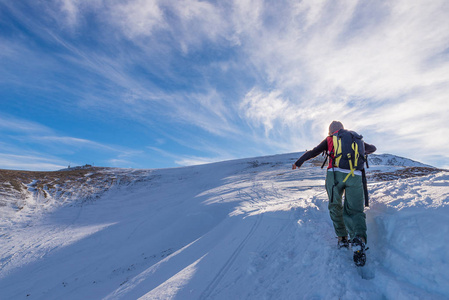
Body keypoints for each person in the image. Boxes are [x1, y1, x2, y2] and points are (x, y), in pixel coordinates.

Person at [292, 121, 376, 265]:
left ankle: (342, 238)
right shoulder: (355, 138)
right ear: (342, 129)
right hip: (355, 175)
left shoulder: (330, 139)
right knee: (355, 210)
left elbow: (313, 152)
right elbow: (373, 148)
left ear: (331, 131)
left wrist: (299, 162)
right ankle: (359, 239)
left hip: (335, 175)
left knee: (335, 205)